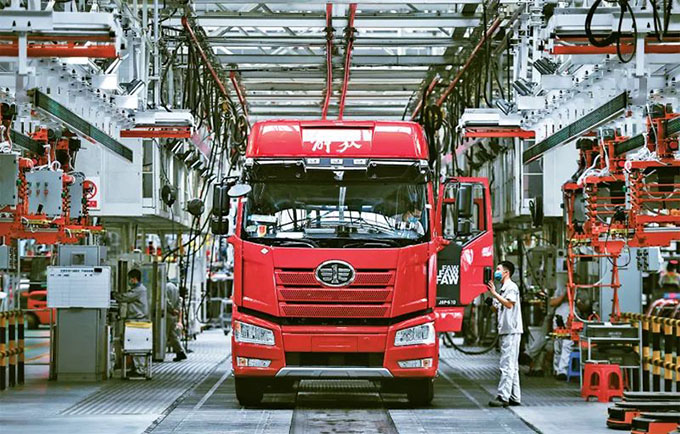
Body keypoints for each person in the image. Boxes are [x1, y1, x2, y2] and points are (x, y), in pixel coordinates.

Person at [487, 260, 523, 408]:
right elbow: (498, 308)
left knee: (506, 365)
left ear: (506, 272)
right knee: (512, 365)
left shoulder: (511, 287)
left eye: (498, 269)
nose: (496, 272)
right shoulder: (503, 289)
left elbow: (509, 304)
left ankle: (503, 396)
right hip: (506, 330)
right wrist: (491, 302)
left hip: (511, 331)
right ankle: (515, 396)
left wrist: (494, 293)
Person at [115, 269, 149, 377]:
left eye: (130, 279)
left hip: (138, 321)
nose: (129, 281)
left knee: (138, 345)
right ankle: (136, 367)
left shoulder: (139, 290)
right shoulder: (137, 289)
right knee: (134, 345)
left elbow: (125, 297)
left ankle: (140, 369)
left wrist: (114, 295)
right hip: (135, 321)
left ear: (134, 279)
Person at [550, 284, 573, 381]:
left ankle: (562, 371)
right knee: (558, 345)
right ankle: (556, 369)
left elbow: (585, 306)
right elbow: (552, 303)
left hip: (572, 318)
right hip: (559, 317)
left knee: (567, 344)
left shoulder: (581, 291)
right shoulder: (560, 289)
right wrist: (564, 295)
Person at [166, 281, 187, 361]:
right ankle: (180, 352)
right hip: (174, 315)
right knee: (173, 335)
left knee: (164, 335)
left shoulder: (165, 287)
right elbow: (179, 300)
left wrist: (171, 309)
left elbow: (165, 300)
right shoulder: (175, 288)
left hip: (167, 314)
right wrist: (176, 311)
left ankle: (158, 355)